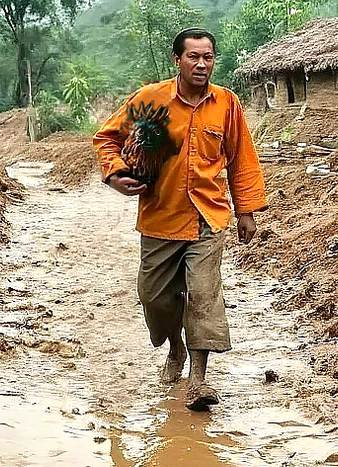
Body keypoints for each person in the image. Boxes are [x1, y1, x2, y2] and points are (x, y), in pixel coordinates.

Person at [92, 28, 267, 411]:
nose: (201, 64)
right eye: (193, 57)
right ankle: (175, 347)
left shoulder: (226, 104)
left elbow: (241, 157)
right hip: (161, 216)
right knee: (155, 298)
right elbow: (106, 138)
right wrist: (116, 173)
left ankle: (197, 380)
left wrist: (246, 210)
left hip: (209, 215)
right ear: (178, 60)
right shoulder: (150, 99)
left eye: (208, 57)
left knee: (203, 294)